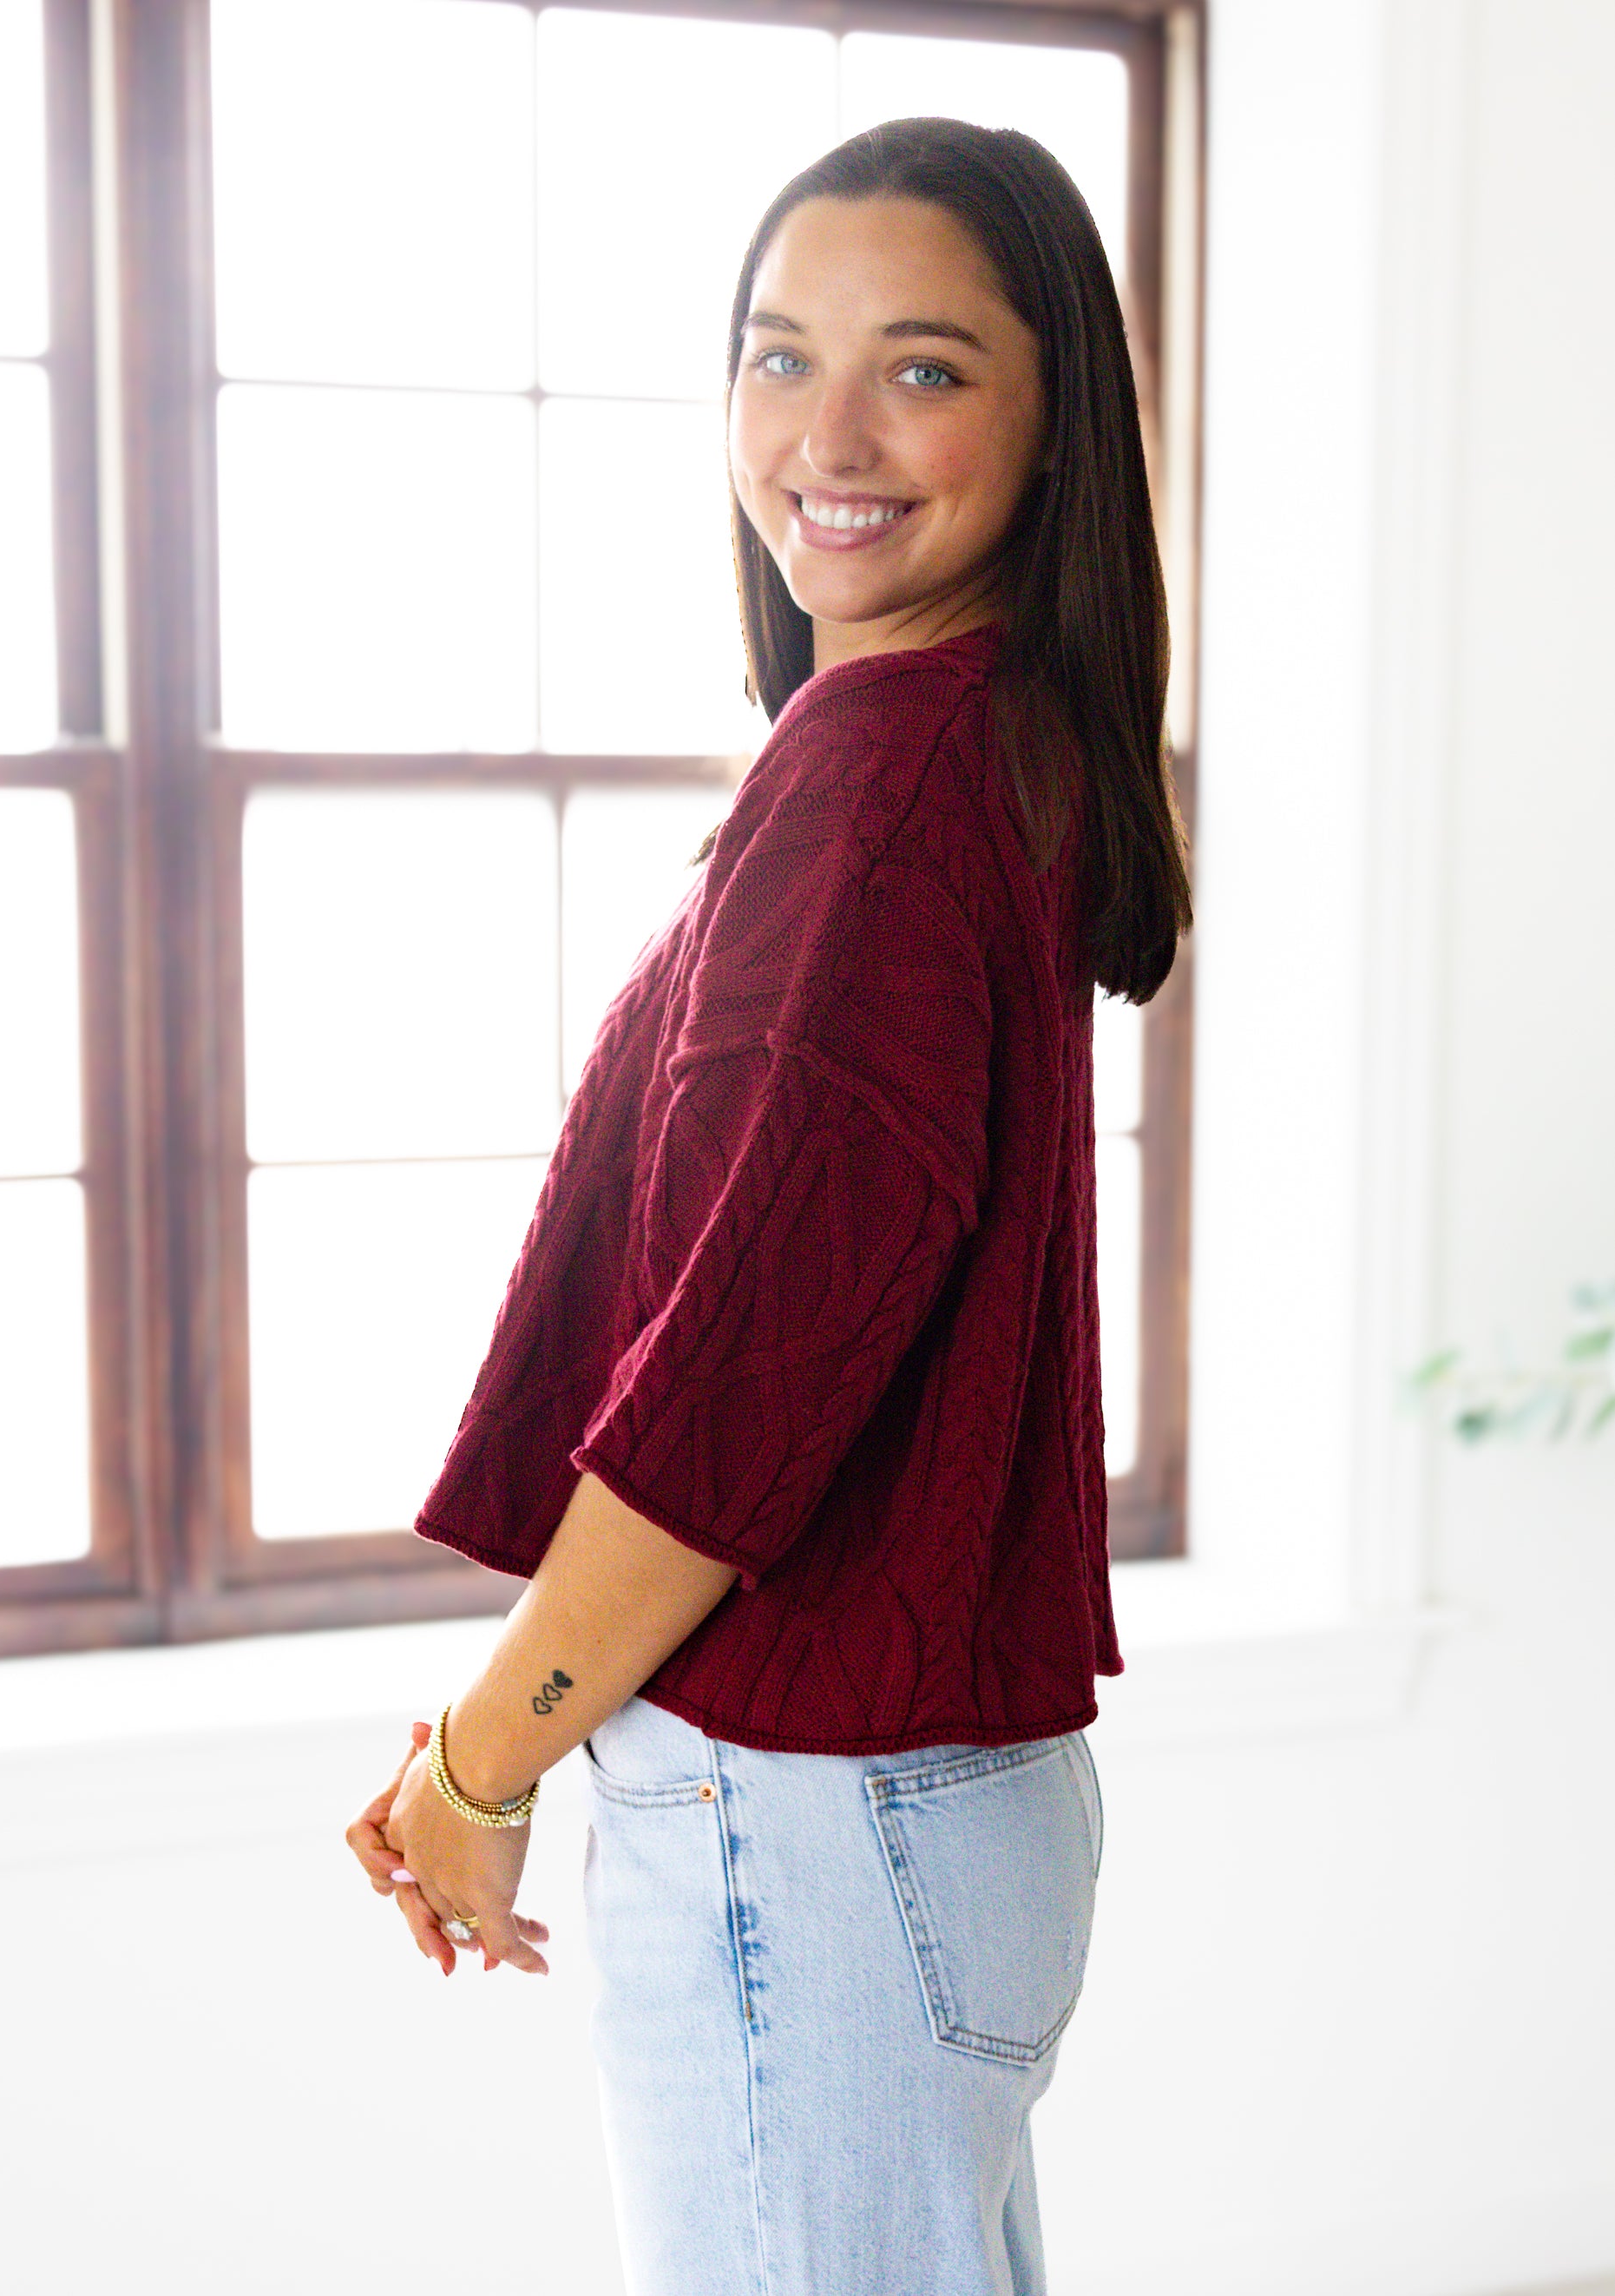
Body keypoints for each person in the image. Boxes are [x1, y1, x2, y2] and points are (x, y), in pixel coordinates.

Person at [345, 115, 1190, 2296]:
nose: (826, 432)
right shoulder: (984, 737)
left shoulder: (881, 784)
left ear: (1051, 413)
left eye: (922, 367)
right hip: (923, 1812)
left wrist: (479, 1756)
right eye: (774, 352)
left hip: (813, 1819)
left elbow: (740, 1395)